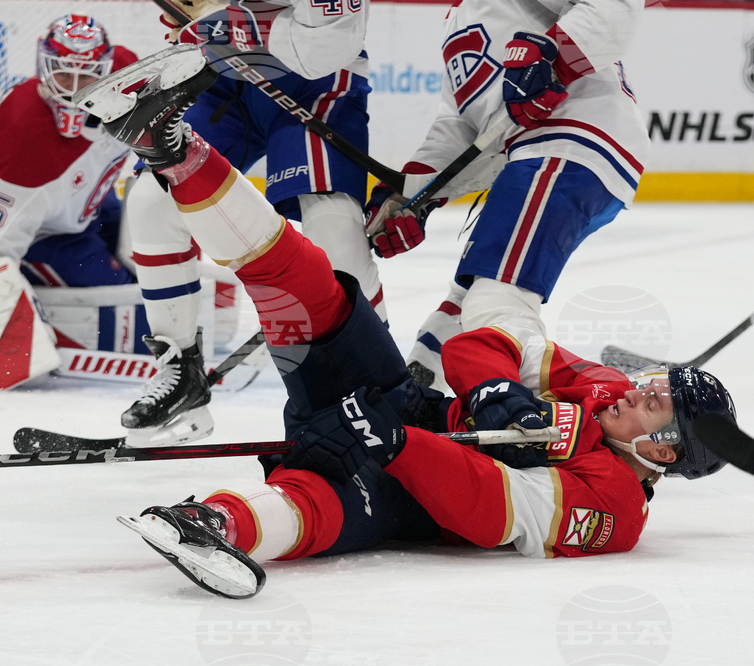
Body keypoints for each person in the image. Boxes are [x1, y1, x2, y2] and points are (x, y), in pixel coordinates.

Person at [77, 50, 737, 599]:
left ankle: (209, 521)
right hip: (395, 404)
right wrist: (489, 390)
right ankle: (172, 148)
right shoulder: (594, 387)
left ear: (666, 452)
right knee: (314, 284)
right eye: (653, 382)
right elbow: (488, 340)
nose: (636, 389)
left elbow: (490, 509)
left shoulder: (613, 511)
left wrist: (396, 447)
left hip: (403, 492)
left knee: (314, 507)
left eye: (656, 402)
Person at [117, 0, 386, 442]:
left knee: (333, 227)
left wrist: (225, 23)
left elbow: (325, 48)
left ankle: (380, 384)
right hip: (223, 80)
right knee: (151, 200)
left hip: (312, 86)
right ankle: (179, 369)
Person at [364, 0, 651, 393]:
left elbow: (616, 5)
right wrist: (413, 193)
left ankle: (592, 405)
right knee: (463, 306)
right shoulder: (458, 20)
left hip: (570, 142)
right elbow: (462, 128)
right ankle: (419, 408)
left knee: (497, 303)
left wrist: (555, 59)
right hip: (535, 155)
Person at [0, 15, 139, 390]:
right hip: (30, 229)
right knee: (126, 302)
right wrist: (15, 342)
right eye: (64, 76)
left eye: (88, 77)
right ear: (43, 68)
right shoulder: (27, 144)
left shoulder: (129, 74)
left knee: (153, 239)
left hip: (81, 204)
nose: (76, 90)